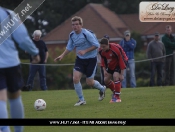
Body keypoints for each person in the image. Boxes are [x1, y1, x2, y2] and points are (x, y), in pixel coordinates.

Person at [0, 7, 40, 132]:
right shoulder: (8, 14)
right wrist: (35, 53)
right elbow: (22, 38)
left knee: (1, 97)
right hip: (11, 62)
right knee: (15, 96)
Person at [54, 16, 106, 106]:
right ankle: (81, 100)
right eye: (73, 25)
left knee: (89, 82)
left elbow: (97, 45)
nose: (75, 26)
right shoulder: (72, 35)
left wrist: (85, 51)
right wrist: (61, 56)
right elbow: (69, 47)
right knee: (75, 78)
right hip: (80, 60)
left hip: (91, 60)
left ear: (81, 25)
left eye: (77, 24)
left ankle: (102, 88)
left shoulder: (86, 34)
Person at [99, 38, 128, 103]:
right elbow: (103, 60)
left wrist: (121, 74)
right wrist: (104, 70)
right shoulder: (101, 51)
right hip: (111, 64)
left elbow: (121, 60)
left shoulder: (115, 49)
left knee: (115, 76)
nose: (102, 48)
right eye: (101, 47)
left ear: (108, 45)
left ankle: (117, 98)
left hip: (120, 62)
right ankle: (115, 92)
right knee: (106, 80)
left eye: (104, 47)